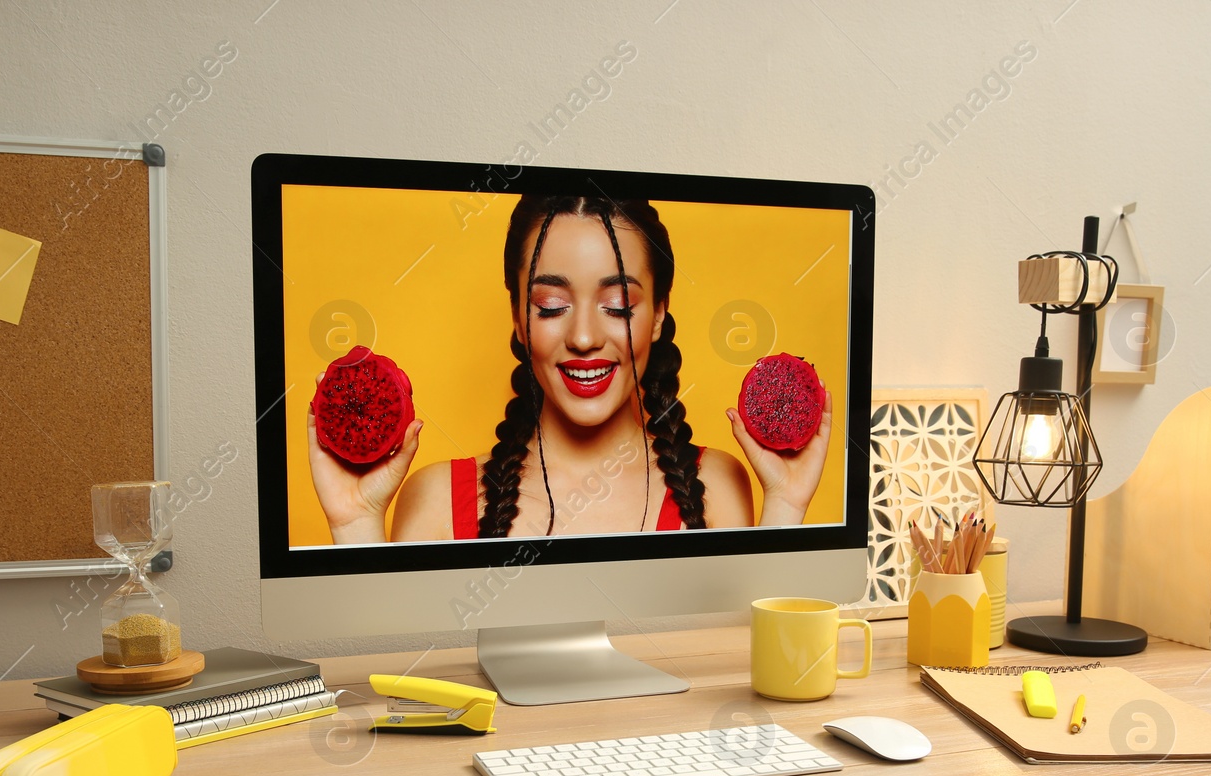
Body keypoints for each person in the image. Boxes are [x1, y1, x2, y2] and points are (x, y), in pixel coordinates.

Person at [306, 195, 832, 544]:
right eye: (552, 306)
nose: (583, 337)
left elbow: (747, 671)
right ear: (518, 317)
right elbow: (395, 694)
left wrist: (784, 504)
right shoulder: (435, 501)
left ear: (658, 316)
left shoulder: (717, 486)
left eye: (619, 306)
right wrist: (356, 521)